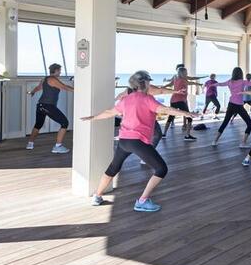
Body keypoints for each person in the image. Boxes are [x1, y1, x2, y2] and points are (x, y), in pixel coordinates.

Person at [81, 70, 199, 212]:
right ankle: (142, 201)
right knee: (161, 169)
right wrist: (187, 113)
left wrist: (92, 118)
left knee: (113, 168)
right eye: (149, 81)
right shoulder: (147, 99)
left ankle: (97, 196)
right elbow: (165, 109)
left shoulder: (126, 99)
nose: (150, 84)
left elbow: (109, 113)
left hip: (124, 141)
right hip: (138, 142)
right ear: (145, 83)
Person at [26, 63, 74, 153]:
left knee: (38, 125)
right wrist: (77, 90)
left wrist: (32, 92)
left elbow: (38, 87)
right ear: (56, 70)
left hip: (41, 105)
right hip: (47, 106)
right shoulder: (53, 79)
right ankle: (58, 146)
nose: (60, 72)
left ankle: (30, 143)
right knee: (64, 123)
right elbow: (64, 87)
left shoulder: (45, 79)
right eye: (60, 70)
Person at [213, 67, 251, 147]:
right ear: (241, 74)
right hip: (239, 106)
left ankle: (214, 141)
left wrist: (211, 85)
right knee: (249, 124)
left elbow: (220, 84)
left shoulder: (230, 81)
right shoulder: (242, 82)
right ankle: (243, 143)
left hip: (231, 104)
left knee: (225, 122)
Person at [163, 65, 203, 140]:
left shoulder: (175, 78)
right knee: (189, 117)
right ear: (182, 73)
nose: (187, 74)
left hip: (173, 100)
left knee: (171, 117)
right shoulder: (183, 80)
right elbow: (191, 82)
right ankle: (187, 136)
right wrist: (199, 84)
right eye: (186, 72)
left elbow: (170, 84)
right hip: (180, 101)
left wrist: (163, 87)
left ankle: (164, 134)